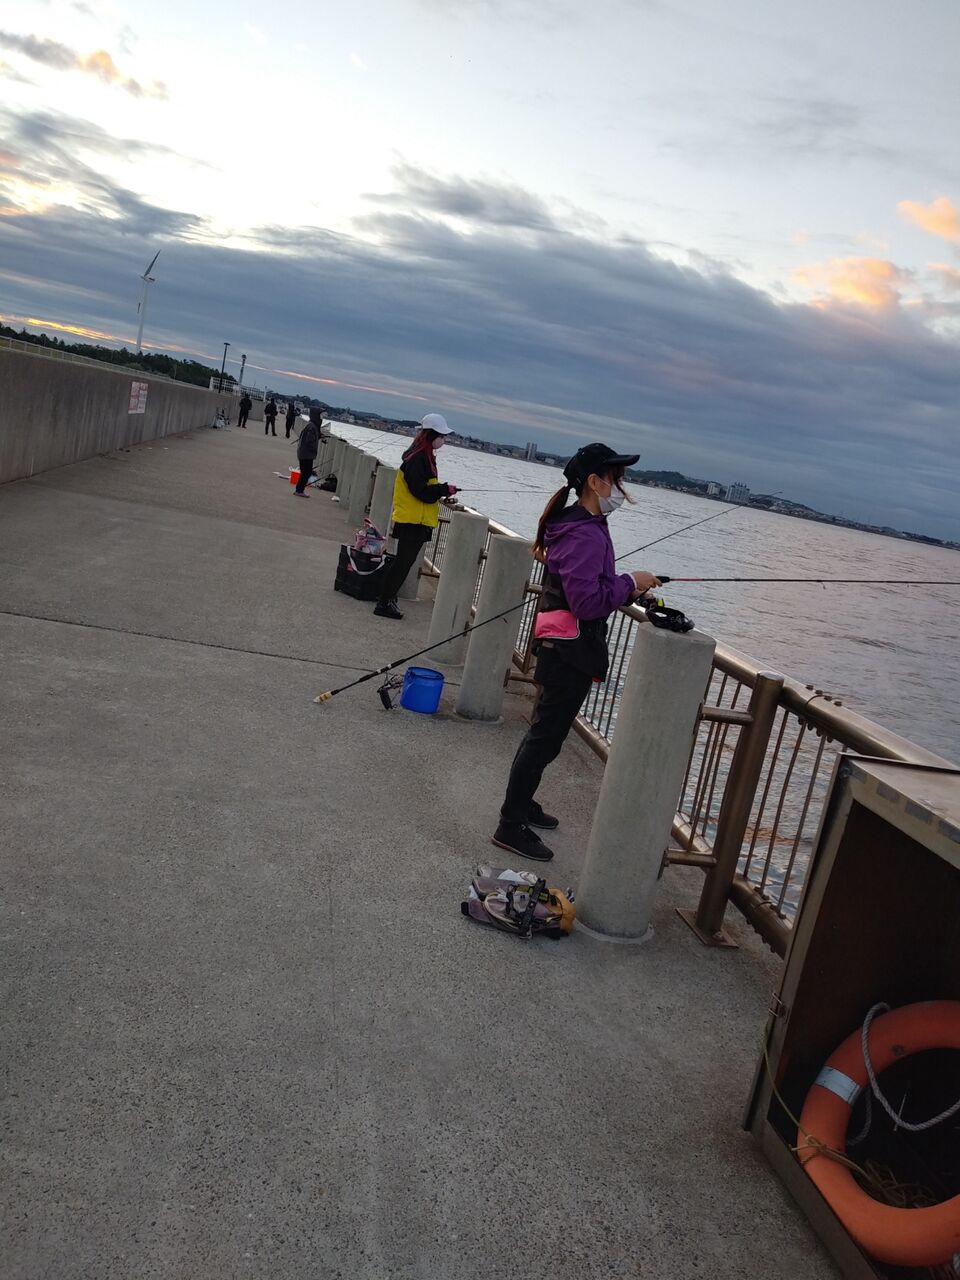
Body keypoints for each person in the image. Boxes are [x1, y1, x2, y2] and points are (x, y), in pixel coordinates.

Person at [491, 443, 661, 861]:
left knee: (545, 733)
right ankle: (509, 824)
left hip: (563, 644)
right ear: (594, 482)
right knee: (545, 736)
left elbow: (589, 587)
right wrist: (630, 582)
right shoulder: (584, 532)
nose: (621, 487)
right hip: (569, 650)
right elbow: (586, 602)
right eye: (616, 478)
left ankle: (521, 803)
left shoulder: (584, 525)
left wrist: (626, 586)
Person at [373, 412, 459, 620]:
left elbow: (423, 489)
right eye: (441, 436)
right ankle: (384, 602)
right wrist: (443, 489)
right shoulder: (418, 458)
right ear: (431, 435)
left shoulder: (421, 456)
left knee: (403, 562)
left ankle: (387, 596)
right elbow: (420, 491)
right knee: (403, 563)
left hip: (415, 519)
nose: (443, 440)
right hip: (412, 520)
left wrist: (442, 490)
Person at [293, 407, 323, 496]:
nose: (321, 417)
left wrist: (319, 436)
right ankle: (299, 491)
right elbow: (309, 440)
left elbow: (310, 437)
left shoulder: (311, 425)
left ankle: (299, 490)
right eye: (320, 415)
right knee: (306, 472)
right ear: (316, 415)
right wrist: (313, 449)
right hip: (306, 454)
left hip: (304, 453)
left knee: (305, 472)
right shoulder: (312, 426)